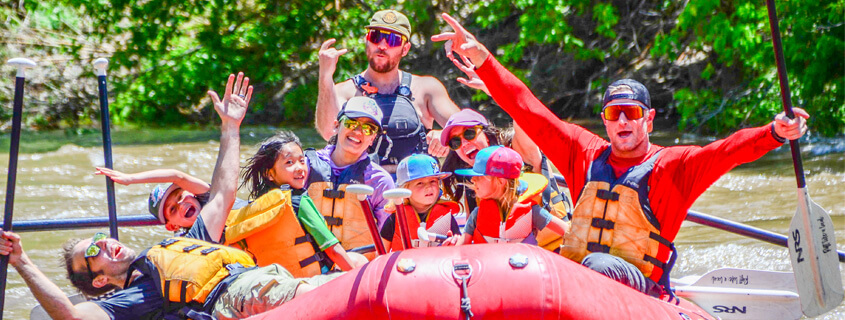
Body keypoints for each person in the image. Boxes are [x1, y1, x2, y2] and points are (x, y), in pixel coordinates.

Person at [432, 13, 810, 296]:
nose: (624, 121)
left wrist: (774, 132)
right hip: (577, 282)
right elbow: (529, 109)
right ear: (606, 121)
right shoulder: (585, 151)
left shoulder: (673, 165)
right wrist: (483, 58)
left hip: (639, 288)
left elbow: (726, 151)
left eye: (633, 113)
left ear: (649, 119)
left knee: (596, 264)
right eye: (615, 114)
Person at [0, 73, 339, 320]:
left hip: (266, 278)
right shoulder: (130, 298)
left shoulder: (180, 245)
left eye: (99, 238)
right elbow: (72, 317)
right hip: (240, 297)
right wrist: (22, 262)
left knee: (342, 284)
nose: (104, 243)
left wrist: (230, 128)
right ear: (100, 279)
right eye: (93, 251)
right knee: (315, 295)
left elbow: (222, 193)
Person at [315, 9, 461, 172]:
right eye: (376, 37)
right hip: (364, 189)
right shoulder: (344, 91)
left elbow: (465, 127)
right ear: (367, 41)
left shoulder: (426, 88)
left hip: (416, 190)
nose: (382, 46)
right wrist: (325, 76)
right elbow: (329, 132)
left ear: (405, 49)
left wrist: (445, 135)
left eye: (392, 40)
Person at [439, 108, 571, 252]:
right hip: (507, 261)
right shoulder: (474, 188)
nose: (464, 143)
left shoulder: (520, 152)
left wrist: (495, 89)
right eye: (455, 142)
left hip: (558, 251)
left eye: (469, 133)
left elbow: (524, 114)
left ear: (486, 134)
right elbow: (476, 239)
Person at [237, 130, 367, 275]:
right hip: (314, 278)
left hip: (280, 281)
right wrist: (357, 278)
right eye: (289, 162)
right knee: (358, 260)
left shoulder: (259, 205)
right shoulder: (299, 201)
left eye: (302, 161)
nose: (299, 168)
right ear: (269, 174)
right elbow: (333, 250)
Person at [305, 96, 395, 253]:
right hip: (308, 267)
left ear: (373, 138)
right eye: (351, 123)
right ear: (336, 125)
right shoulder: (305, 166)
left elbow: (387, 239)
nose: (358, 132)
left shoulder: (380, 181)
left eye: (368, 129)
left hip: (355, 269)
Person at [445, 146, 568, 246]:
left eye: (479, 176)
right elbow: (460, 249)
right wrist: (452, 244)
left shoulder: (532, 212)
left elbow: (568, 232)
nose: (473, 179)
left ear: (501, 181)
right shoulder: (477, 214)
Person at [94, 168, 248, 232]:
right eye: (172, 209)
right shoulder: (191, 240)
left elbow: (177, 176)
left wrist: (130, 179)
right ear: (172, 226)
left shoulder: (209, 198)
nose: (181, 204)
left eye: (180, 196)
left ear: (192, 193)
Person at [379, 154, 461, 251]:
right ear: (405, 189)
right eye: (420, 183)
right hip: (405, 265)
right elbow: (381, 254)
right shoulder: (395, 219)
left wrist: (455, 242)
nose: (429, 187)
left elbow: (460, 248)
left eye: (433, 181)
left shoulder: (447, 218)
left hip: (437, 264)